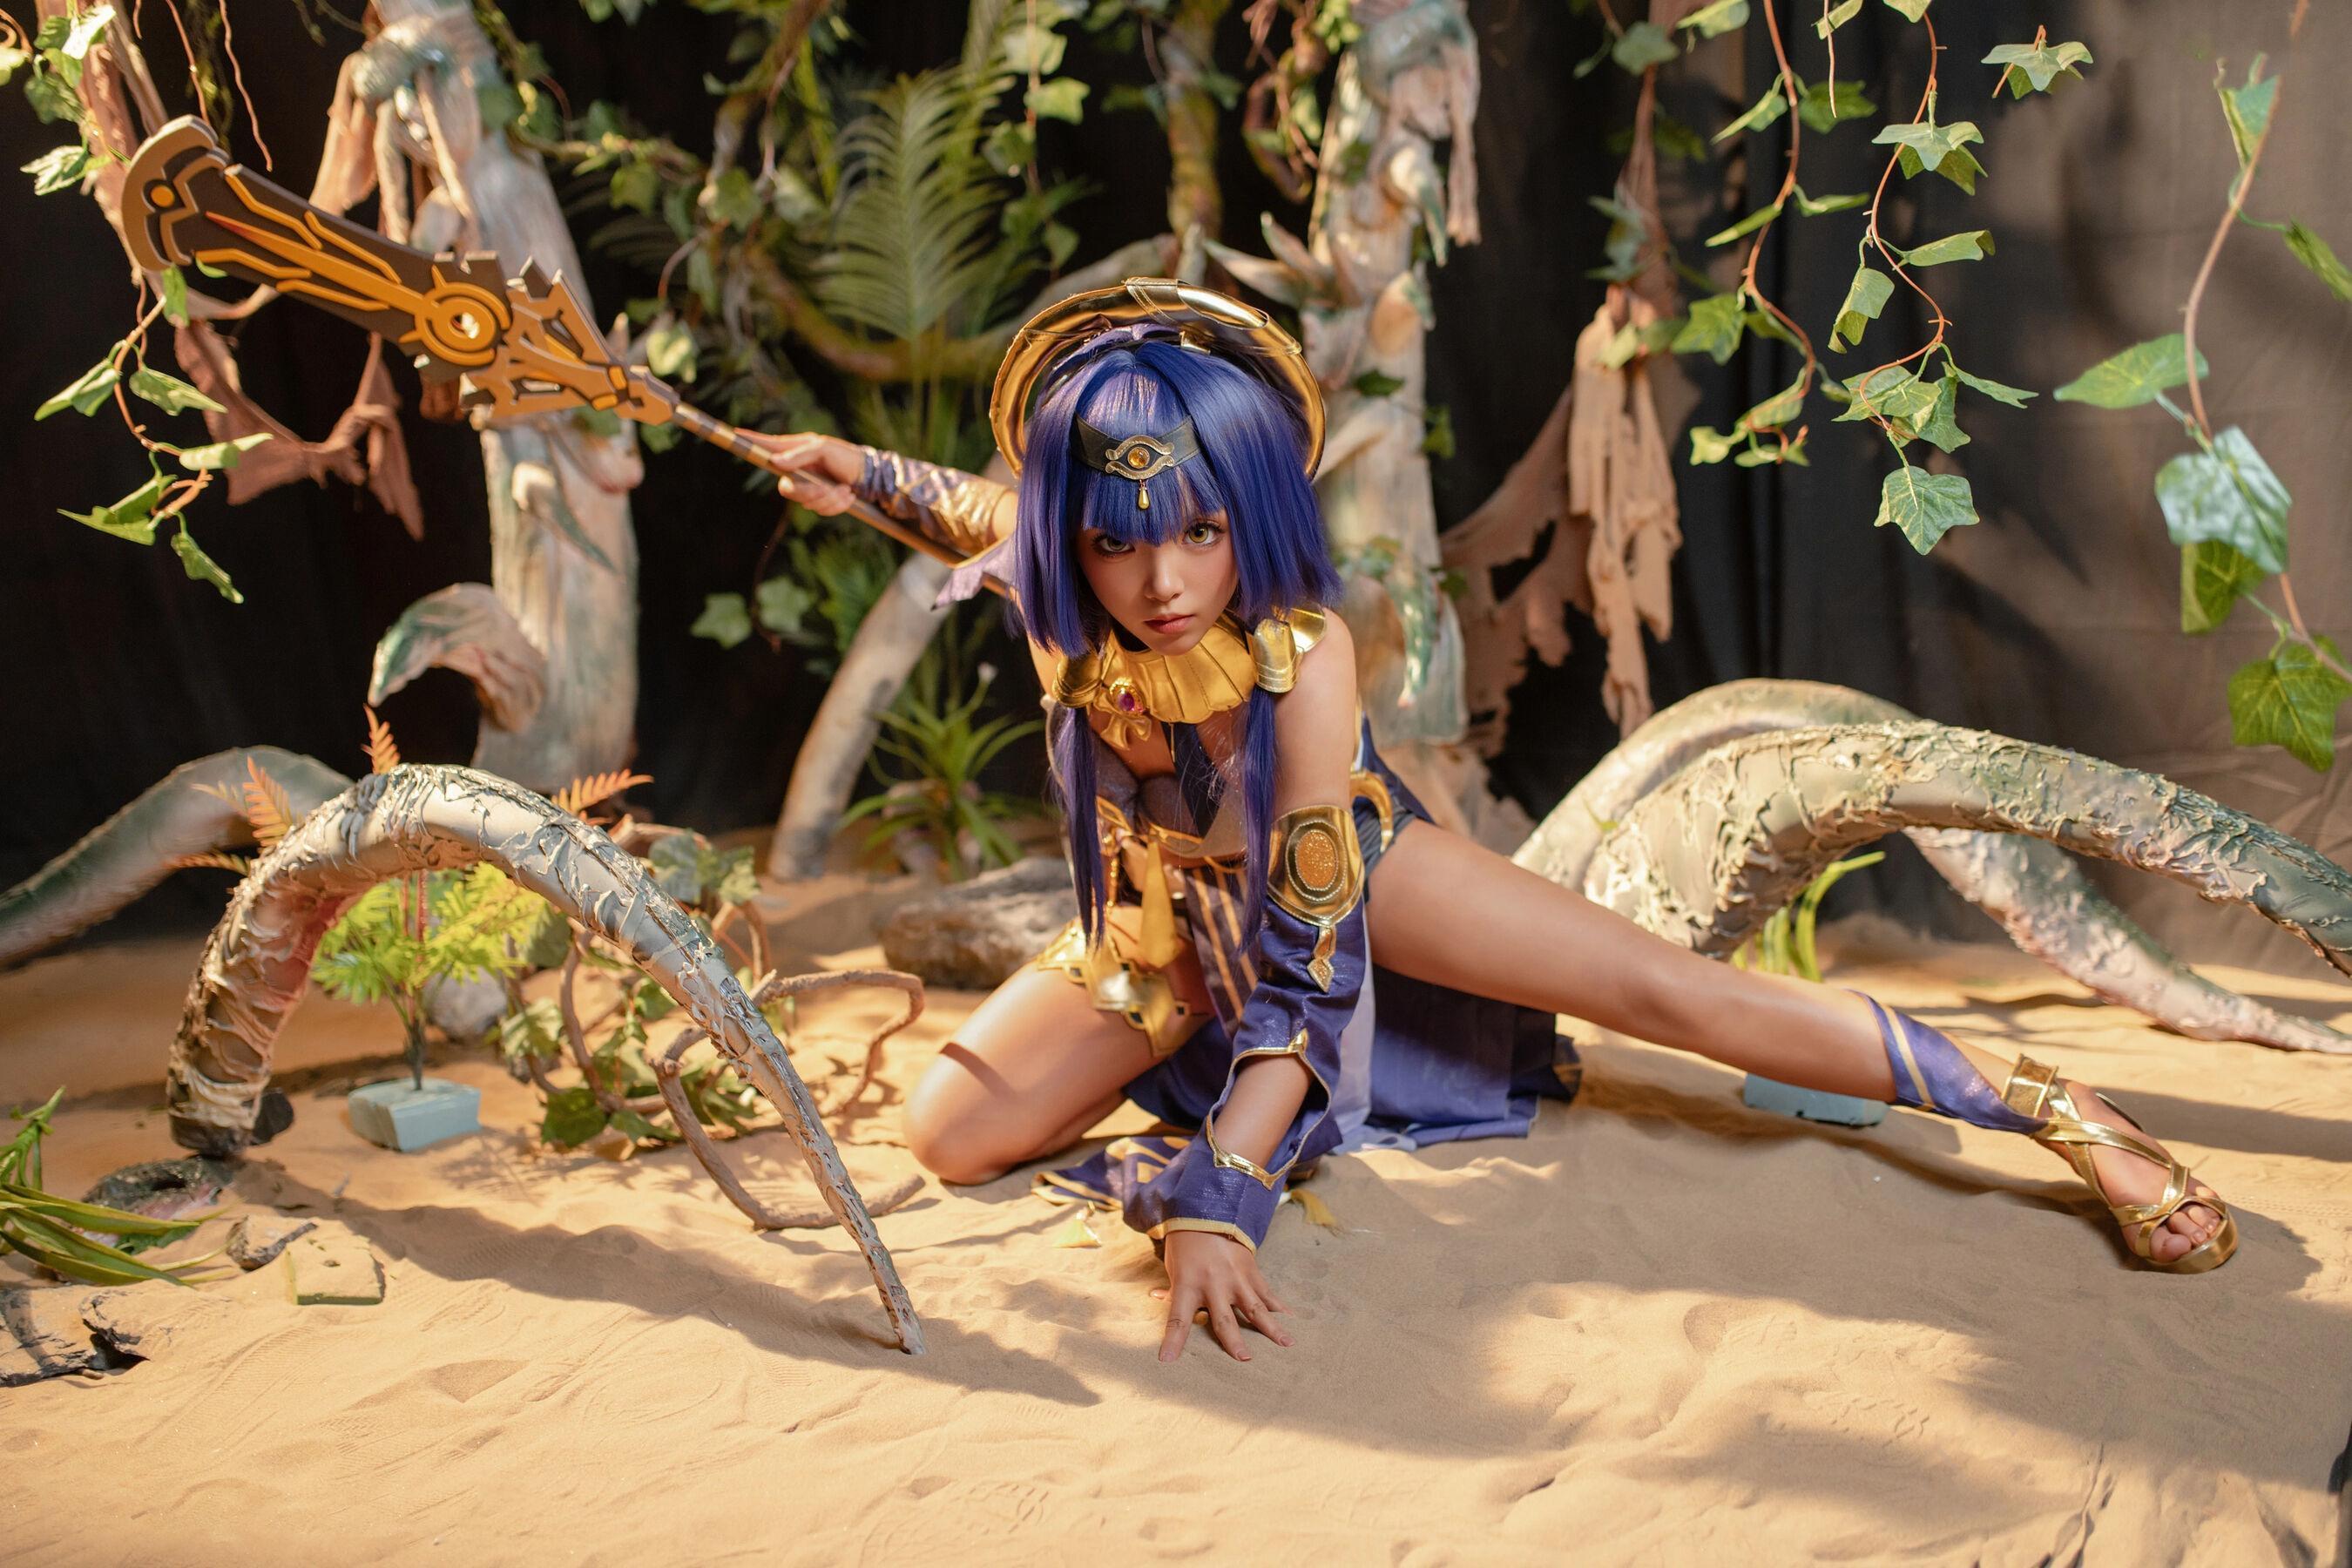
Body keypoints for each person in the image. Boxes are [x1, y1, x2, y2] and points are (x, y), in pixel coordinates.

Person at [755, 280, 2234, 1362]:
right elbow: (980, 514)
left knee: (1676, 998)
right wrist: (857, 472)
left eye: (1202, 530)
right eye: (1116, 541)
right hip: (1160, 936)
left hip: (1342, 891)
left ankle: (2058, 1112)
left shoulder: (1300, 662)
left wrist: (1225, 1190)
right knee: (952, 1134)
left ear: (1252, 513)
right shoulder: (1063, 587)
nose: (1164, 582)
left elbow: (1308, 971)